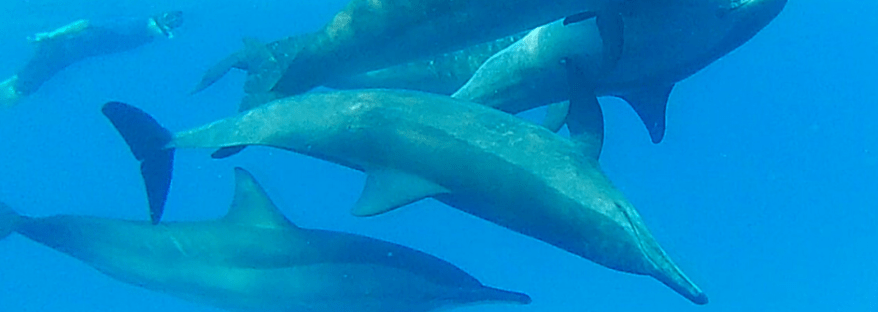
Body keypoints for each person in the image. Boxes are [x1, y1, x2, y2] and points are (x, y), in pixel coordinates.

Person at [0, 11, 183, 106]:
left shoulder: (144, 35)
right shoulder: (133, 27)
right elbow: (85, 23)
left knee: (20, 80)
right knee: (21, 90)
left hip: (64, 53)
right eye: (163, 31)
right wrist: (51, 35)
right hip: (60, 50)